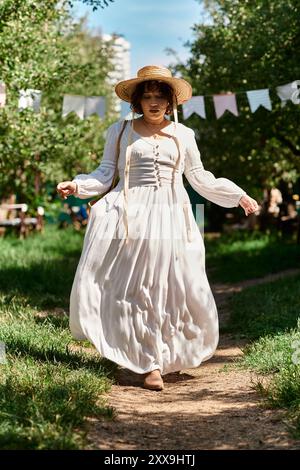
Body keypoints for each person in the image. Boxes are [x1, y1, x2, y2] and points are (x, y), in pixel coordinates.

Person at [57, 65, 259, 391]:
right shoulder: (120, 131)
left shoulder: (184, 135)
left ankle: (162, 353)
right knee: (132, 288)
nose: (153, 102)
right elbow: (106, 173)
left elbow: (200, 178)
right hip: (129, 216)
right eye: (147, 96)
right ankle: (147, 360)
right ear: (137, 101)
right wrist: (78, 186)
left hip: (171, 215)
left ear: (170, 102)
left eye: (160, 97)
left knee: (170, 287)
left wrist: (237, 195)